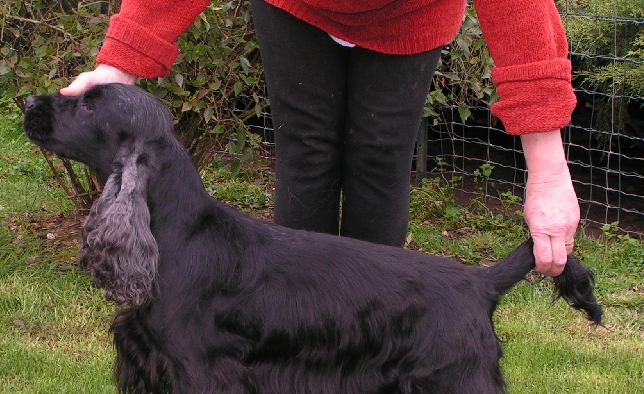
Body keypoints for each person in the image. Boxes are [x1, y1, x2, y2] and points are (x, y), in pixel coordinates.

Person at [61, 0, 581, 276]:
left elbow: (520, 13)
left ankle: (374, 341)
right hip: (296, 7)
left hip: (411, 11)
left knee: (379, 161)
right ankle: (294, 337)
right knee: (306, 154)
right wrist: (119, 65)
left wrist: (549, 173)